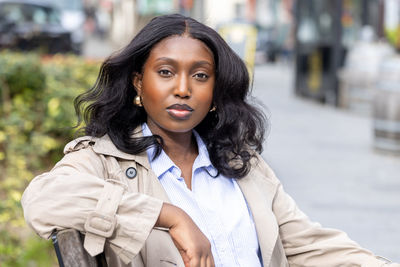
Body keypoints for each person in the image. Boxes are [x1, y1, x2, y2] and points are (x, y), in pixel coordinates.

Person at [21, 14, 399, 267]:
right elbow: (43, 199)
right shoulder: (107, 161)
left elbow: (306, 243)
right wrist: (170, 216)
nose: (183, 89)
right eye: (166, 72)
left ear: (216, 89)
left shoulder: (239, 164)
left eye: (200, 76)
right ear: (138, 82)